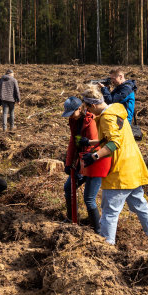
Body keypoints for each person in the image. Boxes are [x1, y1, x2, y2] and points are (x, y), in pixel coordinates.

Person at [77, 84, 148, 250]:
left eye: (87, 108)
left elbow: (114, 143)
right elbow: (114, 137)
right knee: (140, 205)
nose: (88, 112)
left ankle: (106, 246)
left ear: (93, 105)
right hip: (133, 167)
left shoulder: (107, 118)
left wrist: (94, 156)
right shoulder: (115, 110)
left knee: (110, 210)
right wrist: (91, 142)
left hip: (120, 170)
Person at [61, 96, 101, 232]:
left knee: (89, 199)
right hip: (81, 160)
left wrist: (82, 168)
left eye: (72, 113)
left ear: (80, 108)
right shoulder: (74, 121)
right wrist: (68, 162)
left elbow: (95, 144)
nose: (71, 117)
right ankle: (71, 218)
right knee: (68, 188)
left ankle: (97, 230)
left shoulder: (91, 120)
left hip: (94, 161)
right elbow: (74, 141)